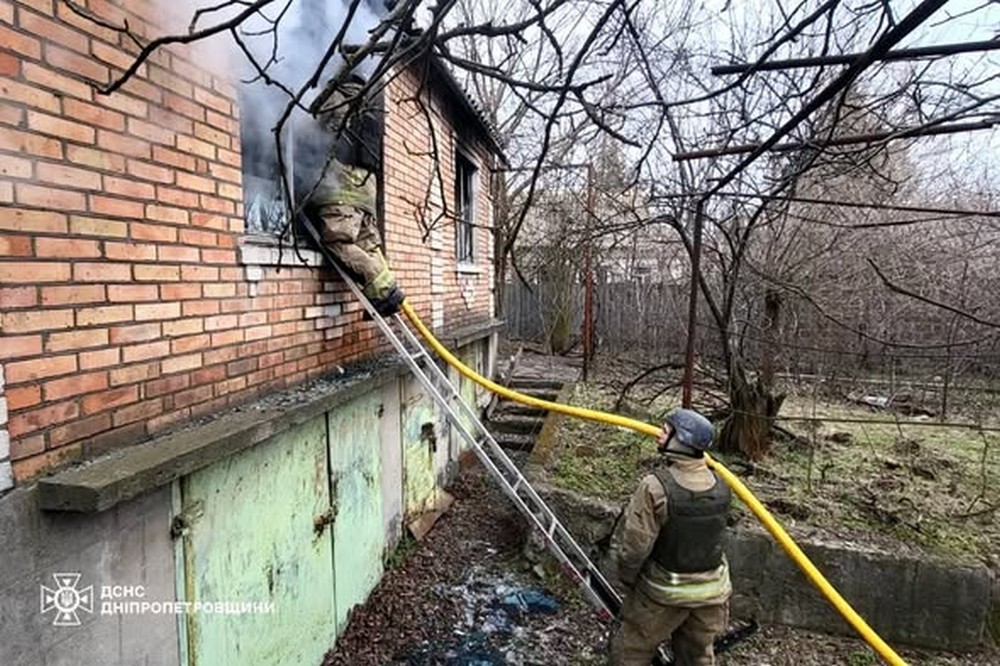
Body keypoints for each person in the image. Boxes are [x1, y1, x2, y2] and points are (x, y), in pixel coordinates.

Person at [609, 408, 732, 666]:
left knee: (630, 651)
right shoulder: (721, 484)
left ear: (682, 440)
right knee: (697, 657)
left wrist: (627, 578)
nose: (659, 434)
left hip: (665, 591)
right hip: (712, 593)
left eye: (666, 431)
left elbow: (636, 545)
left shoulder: (655, 486)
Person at [301, 68, 404, 316]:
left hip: (342, 187)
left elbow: (307, 130)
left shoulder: (335, 98)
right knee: (368, 245)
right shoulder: (369, 107)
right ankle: (385, 294)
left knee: (337, 239)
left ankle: (383, 290)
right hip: (367, 191)